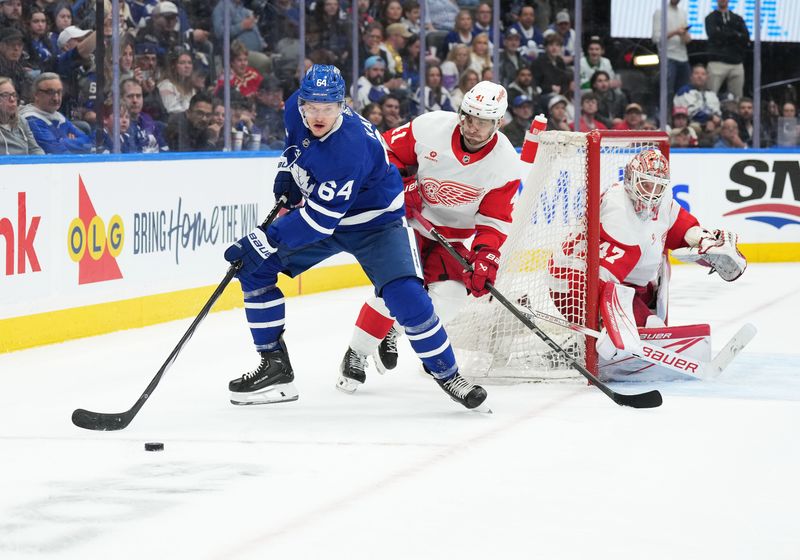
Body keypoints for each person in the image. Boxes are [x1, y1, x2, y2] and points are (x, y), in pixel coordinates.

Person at [224, 64, 488, 410]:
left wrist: (261, 240)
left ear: (343, 105)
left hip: (376, 223)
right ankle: (275, 366)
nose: (318, 116)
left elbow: (318, 222)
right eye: (312, 107)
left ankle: (448, 373)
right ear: (301, 102)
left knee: (407, 297)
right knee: (255, 271)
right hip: (327, 213)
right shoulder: (295, 108)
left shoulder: (349, 148)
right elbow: (296, 144)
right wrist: (288, 171)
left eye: (328, 109)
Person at [337, 80, 520, 394]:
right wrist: (399, 184)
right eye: (469, 117)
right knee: (396, 290)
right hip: (408, 224)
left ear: (498, 123)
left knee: (450, 297)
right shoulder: (430, 127)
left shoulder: (504, 164)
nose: (473, 127)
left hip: (456, 237)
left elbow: (493, 221)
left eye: (483, 121)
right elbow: (384, 153)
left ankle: (395, 329)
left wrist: (486, 256)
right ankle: (357, 353)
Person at [548, 149, 746, 370]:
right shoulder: (619, 214)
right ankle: (588, 344)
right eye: (646, 184)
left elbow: (678, 226)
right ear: (631, 180)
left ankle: (592, 342)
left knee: (652, 291)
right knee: (646, 323)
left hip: (615, 279)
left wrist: (703, 240)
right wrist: (615, 326)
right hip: (573, 283)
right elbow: (603, 285)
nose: (652, 194)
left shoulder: (662, 201)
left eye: (658, 186)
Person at [19, 72, 92, 153]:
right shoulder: (31, 120)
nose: (56, 98)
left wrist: (62, 141)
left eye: (59, 92)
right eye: (50, 92)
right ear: (36, 95)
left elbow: (87, 142)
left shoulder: (57, 115)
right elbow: (56, 150)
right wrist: (71, 142)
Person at [704, 0, 749, 101]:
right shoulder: (711, 18)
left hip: (736, 62)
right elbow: (714, 35)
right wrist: (735, 34)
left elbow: (745, 38)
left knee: (737, 99)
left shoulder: (737, 18)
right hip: (717, 62)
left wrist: (726, 32)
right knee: (710, 97)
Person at [652, 0, 691, 101]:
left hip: (683, 57)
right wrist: (675, 32)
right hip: (668, 56)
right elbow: (656, 38)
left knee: (684, 93)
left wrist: (684, 34)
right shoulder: (660, 12)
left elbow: (687, 40)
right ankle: (666, 115)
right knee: (667, 92)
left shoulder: (683, 13)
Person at [121, 77, 167, 153]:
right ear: (121, 98)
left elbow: (165, 150)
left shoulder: (149, 121)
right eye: (130, 96)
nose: (135, 100)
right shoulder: (120, 125)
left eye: (138, 96)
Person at [0, 77, 44, 155]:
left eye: (14, 95)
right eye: (5, 95)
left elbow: (35, 149)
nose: (12, 99)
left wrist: (42, 162)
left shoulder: (21, 121)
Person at [157, 48, 196, 114]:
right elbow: (172, 110)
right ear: (173, 66)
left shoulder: (191, 90)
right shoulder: (166, 85)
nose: (187, 66)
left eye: (189, 63)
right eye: (182, 63)